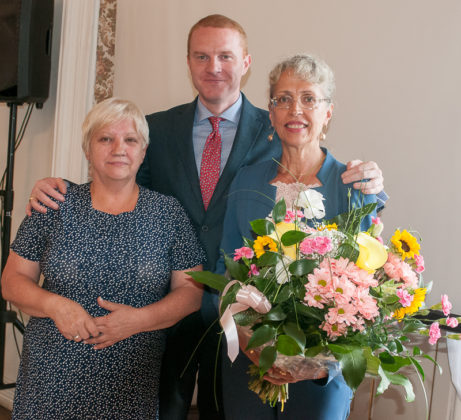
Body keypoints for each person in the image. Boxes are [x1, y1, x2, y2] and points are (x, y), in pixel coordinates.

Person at [25, 15, 385, 420]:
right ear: (188, 62)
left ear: (245, 62)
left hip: (245, 323)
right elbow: (120, 183)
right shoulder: (157, 129)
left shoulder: (277, 127)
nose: (214, 67)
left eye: (225, 56)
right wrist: (61, 188)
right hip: (164, 309)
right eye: (202, 56)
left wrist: (371, 180)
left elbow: (325, 187)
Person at [2, 98, 204, 420]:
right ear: (88, 149)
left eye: (130, 140)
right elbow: (12, 281)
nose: (118, 149)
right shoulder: (53, 205)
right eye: (105, 138)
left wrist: (139, 320)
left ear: (143, 151)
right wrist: (56, 306)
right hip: (49, 383)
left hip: (130, 384)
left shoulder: (168, 214)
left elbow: (192, 293)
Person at [217, 54, 377, 419]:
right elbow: (224, 269)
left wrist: (316, 363)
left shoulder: (353, 187)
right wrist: (249, 341)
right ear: (271, 114)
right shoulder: (245, 181)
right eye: (283, 99)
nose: (295, 110)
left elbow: (366, 288)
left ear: (328, 113)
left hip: (321, 374)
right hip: (248, 360)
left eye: (308, 98)